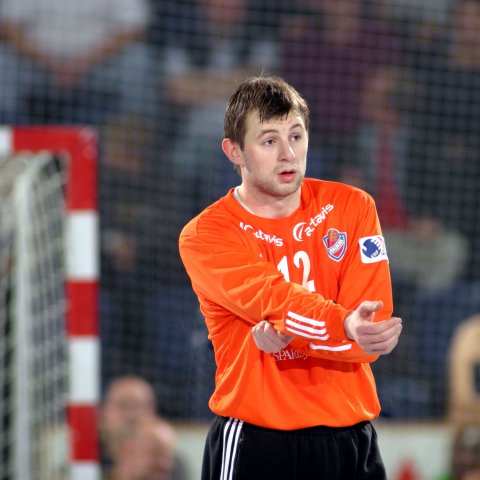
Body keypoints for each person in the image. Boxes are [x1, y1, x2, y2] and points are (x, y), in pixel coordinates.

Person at [178, 75, 402, 479]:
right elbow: (275, 298)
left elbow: (368, 334)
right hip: (257, 441)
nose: (288, 154)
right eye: (269, 141)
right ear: (234, 151)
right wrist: (344, 326)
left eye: (296, 136)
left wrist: (300, 329)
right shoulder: (206, 234)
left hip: (351, 437)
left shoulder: (352, 207)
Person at [0, 0, 157, 124]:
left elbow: (134, 26)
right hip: (37, 62)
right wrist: (50, 62)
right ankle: (10, 136)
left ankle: (127, 142)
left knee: (137, 62)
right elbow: (8, 25)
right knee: (3, 62)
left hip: (99, 62)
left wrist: (80, 64)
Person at [100, 375, 185, 480]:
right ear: (104, 412)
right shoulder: (91, 458)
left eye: (140, 406)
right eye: (124, 405)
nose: (131, 416)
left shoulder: (167, 465)